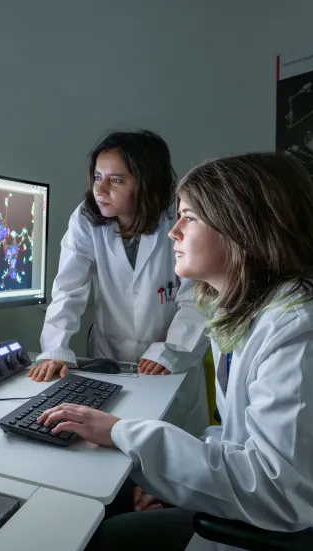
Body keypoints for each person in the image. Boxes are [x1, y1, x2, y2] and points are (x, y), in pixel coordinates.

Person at [37, 152, 313, 551]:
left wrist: (122, 433)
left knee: (96, 539)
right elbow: (246, 435)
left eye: (190, 217)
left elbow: (280, 492)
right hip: (296, 513)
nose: (173, 232)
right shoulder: (252, 305)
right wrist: (180, 479)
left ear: (242, 227)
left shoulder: (310, 327)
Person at [28, 130, 210, 435]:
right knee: (112, 447)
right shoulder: (86, 219)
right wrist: (55, 349)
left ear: (146, 183)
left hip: (170, 364)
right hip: (108, 358)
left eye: (116, 180)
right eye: (97, 176)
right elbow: (68, 290)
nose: (100, 189)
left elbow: (198, 297)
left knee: (171, 455)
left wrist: (172, 350)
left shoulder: (179, 220)